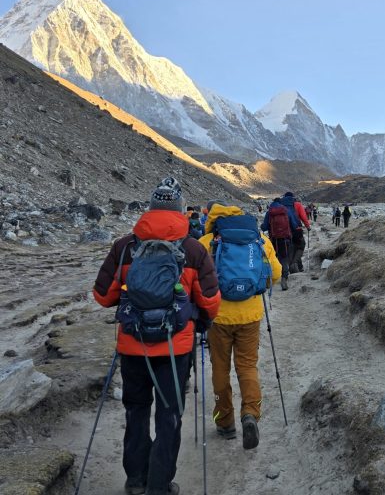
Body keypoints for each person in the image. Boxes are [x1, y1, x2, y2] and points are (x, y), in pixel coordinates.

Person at [93, 177, 220, 495]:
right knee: (169, 415)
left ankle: (135, 479)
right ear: (179, 209)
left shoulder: (124, 247)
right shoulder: (193, 249)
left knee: (136, 410)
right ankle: (160, 485)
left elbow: (102, 296)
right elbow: (210, 301)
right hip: (175, 348)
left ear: (150, 209)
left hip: (133, 346)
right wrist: (199, 318)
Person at [199, 201, 282, 450]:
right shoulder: (259, 239)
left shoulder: (207, 242)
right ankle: (250, 415)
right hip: (251, 315)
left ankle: (225, 422)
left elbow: (194, 280)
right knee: (247, 366)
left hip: (217, 318)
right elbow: (275, 274)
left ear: (212, 219)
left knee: (220, 369)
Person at [261, 198, 295, 290]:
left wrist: (262, 226)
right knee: (284, 258)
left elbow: (264, 227)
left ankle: (271, 279)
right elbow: (293, 224)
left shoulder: (270, 212)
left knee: (273, 258)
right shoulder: (286, 211)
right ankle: (284, 279)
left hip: (274, 240)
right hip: (285, 240)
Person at [278, 191, 311, 272]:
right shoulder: (297, 204)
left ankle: (298, 267)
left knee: (291, 248)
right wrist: (307, 226)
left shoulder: (280, 205)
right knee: (300, 246)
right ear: (292, 197)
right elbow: (303, 217)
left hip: (284, 231)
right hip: (297, 229)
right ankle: (295, 264)